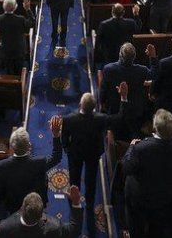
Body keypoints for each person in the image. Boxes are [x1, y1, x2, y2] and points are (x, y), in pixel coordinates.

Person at [62, 84, 127, 236]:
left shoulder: (69, 119)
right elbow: (119, 118)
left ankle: (74, 203)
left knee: (74, 180)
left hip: (75, 154)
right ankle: (90, 203)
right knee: (91, 180)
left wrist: (66, 148)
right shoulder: (101, 119)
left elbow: (64, 137)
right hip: (93, 154)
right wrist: (123, 98)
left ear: (80, 105)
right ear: (94, 108)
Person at [123, 108, 172, 238]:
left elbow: (126, 168)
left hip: (139, 199)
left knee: (136, 228)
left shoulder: (141, 148)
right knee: (157, 228)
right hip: (164, 197)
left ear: (154, 128)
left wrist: (131, 147)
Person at [0, 117, 63, 214]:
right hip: (36, 207)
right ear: (29, 146)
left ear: (12, 146)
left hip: (13, 209)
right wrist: (56, 135)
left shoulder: (0, 167)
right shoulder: (40, 163)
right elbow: (56, 157)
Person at [100, 43, 151, 139]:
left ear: (120, 55)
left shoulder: (108, 69)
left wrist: (102, 102)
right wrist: (152, 57)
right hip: (136, 109)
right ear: (134, 57)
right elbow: (154, 74)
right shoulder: (142, 70)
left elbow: (104, 89)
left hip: (115, 108)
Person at [0, 189, 83, 238]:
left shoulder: (4, 227)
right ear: (41, 215)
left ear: (21, 209)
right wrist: (76, 203)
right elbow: (74, 231)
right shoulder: (54, 227)